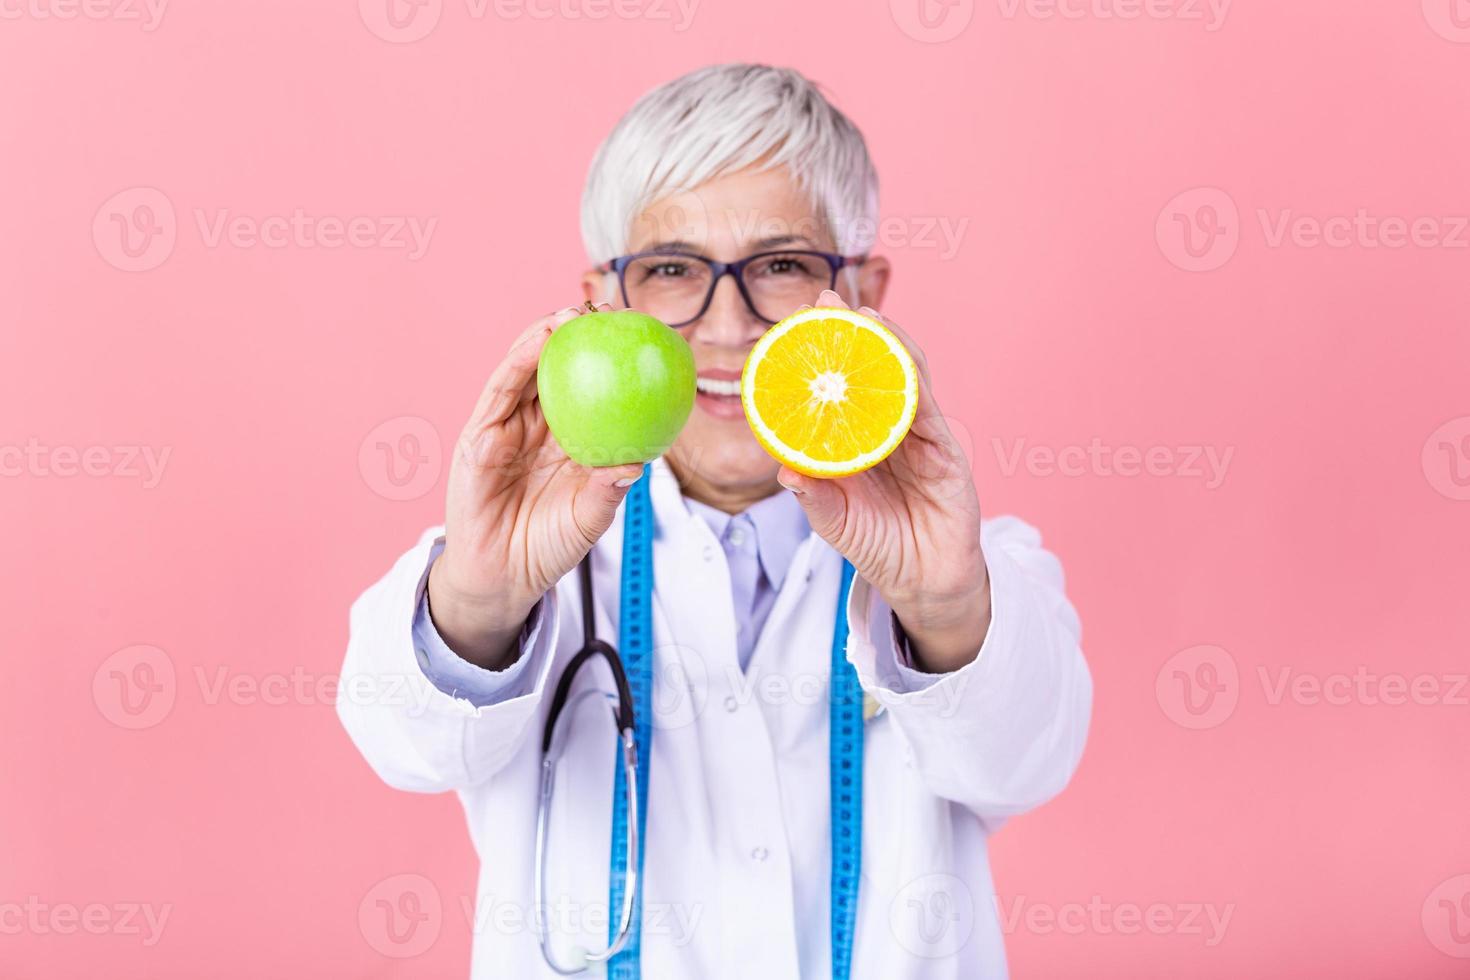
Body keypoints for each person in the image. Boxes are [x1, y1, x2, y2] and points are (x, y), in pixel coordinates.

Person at [338, 63, 1092, 979]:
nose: (728, 324)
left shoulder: (970, 570)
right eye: (671, 270)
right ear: (603, 302)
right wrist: (479, 599)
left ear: (864, 295)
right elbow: (403, 743)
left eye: (781, 265)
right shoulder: (525, 572)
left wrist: (942, 607)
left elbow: (1027, 760)